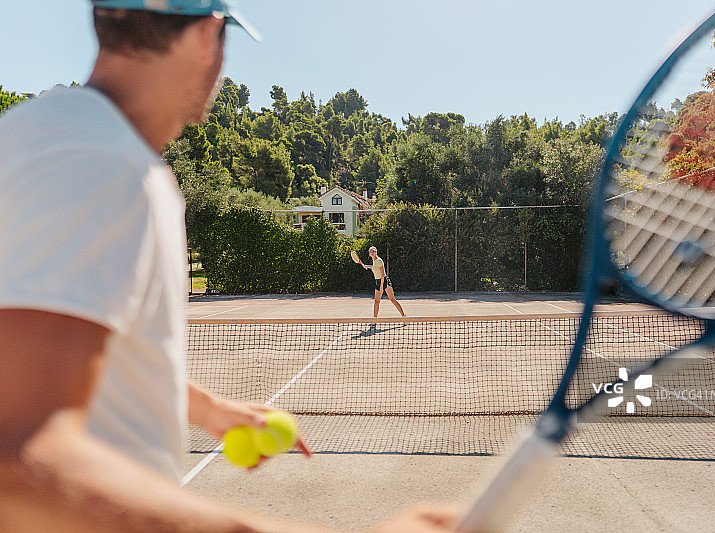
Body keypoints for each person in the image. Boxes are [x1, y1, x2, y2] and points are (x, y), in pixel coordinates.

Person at [0, 2, 457, 532]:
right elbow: (18, 456)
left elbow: (72, 350)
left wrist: (205, 407)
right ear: (206, 34)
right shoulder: (100, 162)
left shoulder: (44, 137)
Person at [362, 246, 405, 318]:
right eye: (370, 251)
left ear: (376, 252)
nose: (372, 253)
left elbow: (382, 273)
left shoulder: (379, 260)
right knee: (376, 301)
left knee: (392, 299)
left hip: (384, 281)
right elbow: (374, 267)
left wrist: (381, 286)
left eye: (373, 251)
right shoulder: (374, 261)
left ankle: (404, 316)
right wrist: (367, 266)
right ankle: (375, 319)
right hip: (377, 281)